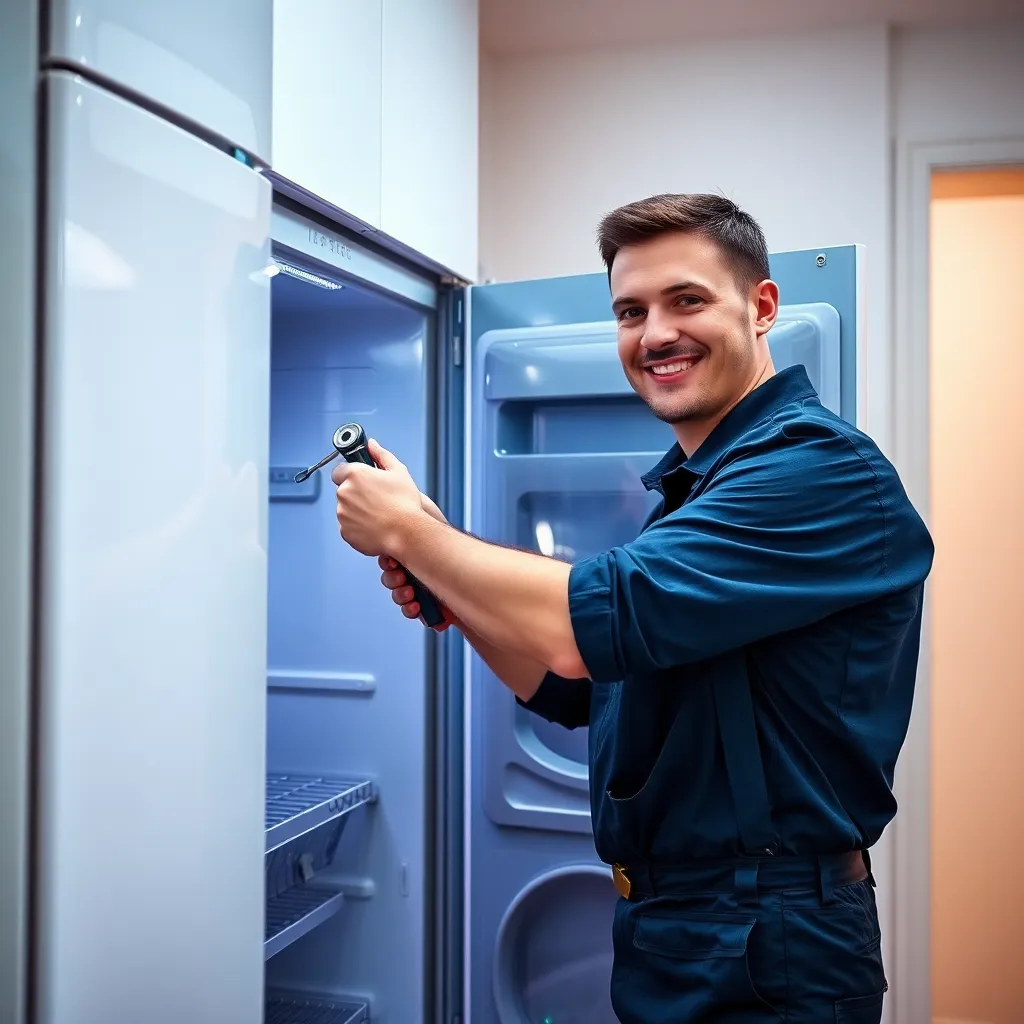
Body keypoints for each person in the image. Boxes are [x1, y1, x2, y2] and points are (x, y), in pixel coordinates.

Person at [330, 193, 934, 1023]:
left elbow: (585, 627)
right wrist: (444, 572)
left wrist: (411, 533)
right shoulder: (697, 489)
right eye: (630, 311)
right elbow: (567, 686)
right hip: (676, 929)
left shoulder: (816, 471)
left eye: (686, 300)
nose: (654, 334)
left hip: (768, 940)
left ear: (761, 308)